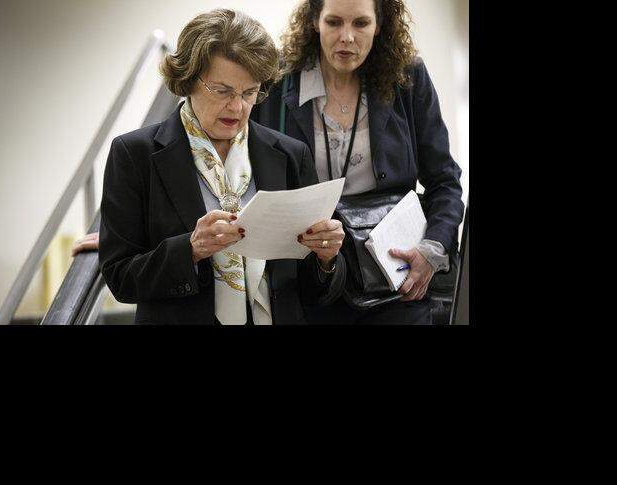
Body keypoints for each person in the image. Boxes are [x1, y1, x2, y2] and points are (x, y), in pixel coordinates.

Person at [99, 8, 347, 324]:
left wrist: (327, 259)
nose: (238, 107)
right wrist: (189, 249)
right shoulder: (135, 154)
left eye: (249, 92)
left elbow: (312, 290)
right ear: (187, 79)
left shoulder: (289, 154)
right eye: (222, 91)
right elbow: (120, 278)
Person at [253, 0, 463, 324]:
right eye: (334, 22)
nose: (347, 37)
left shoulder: (408, 77)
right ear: (314, 21)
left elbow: (445, 181)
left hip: (396, 281)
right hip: (310, 283)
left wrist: (431, 251)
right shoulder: (277, 82)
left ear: (379, 24)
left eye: (361, 24)